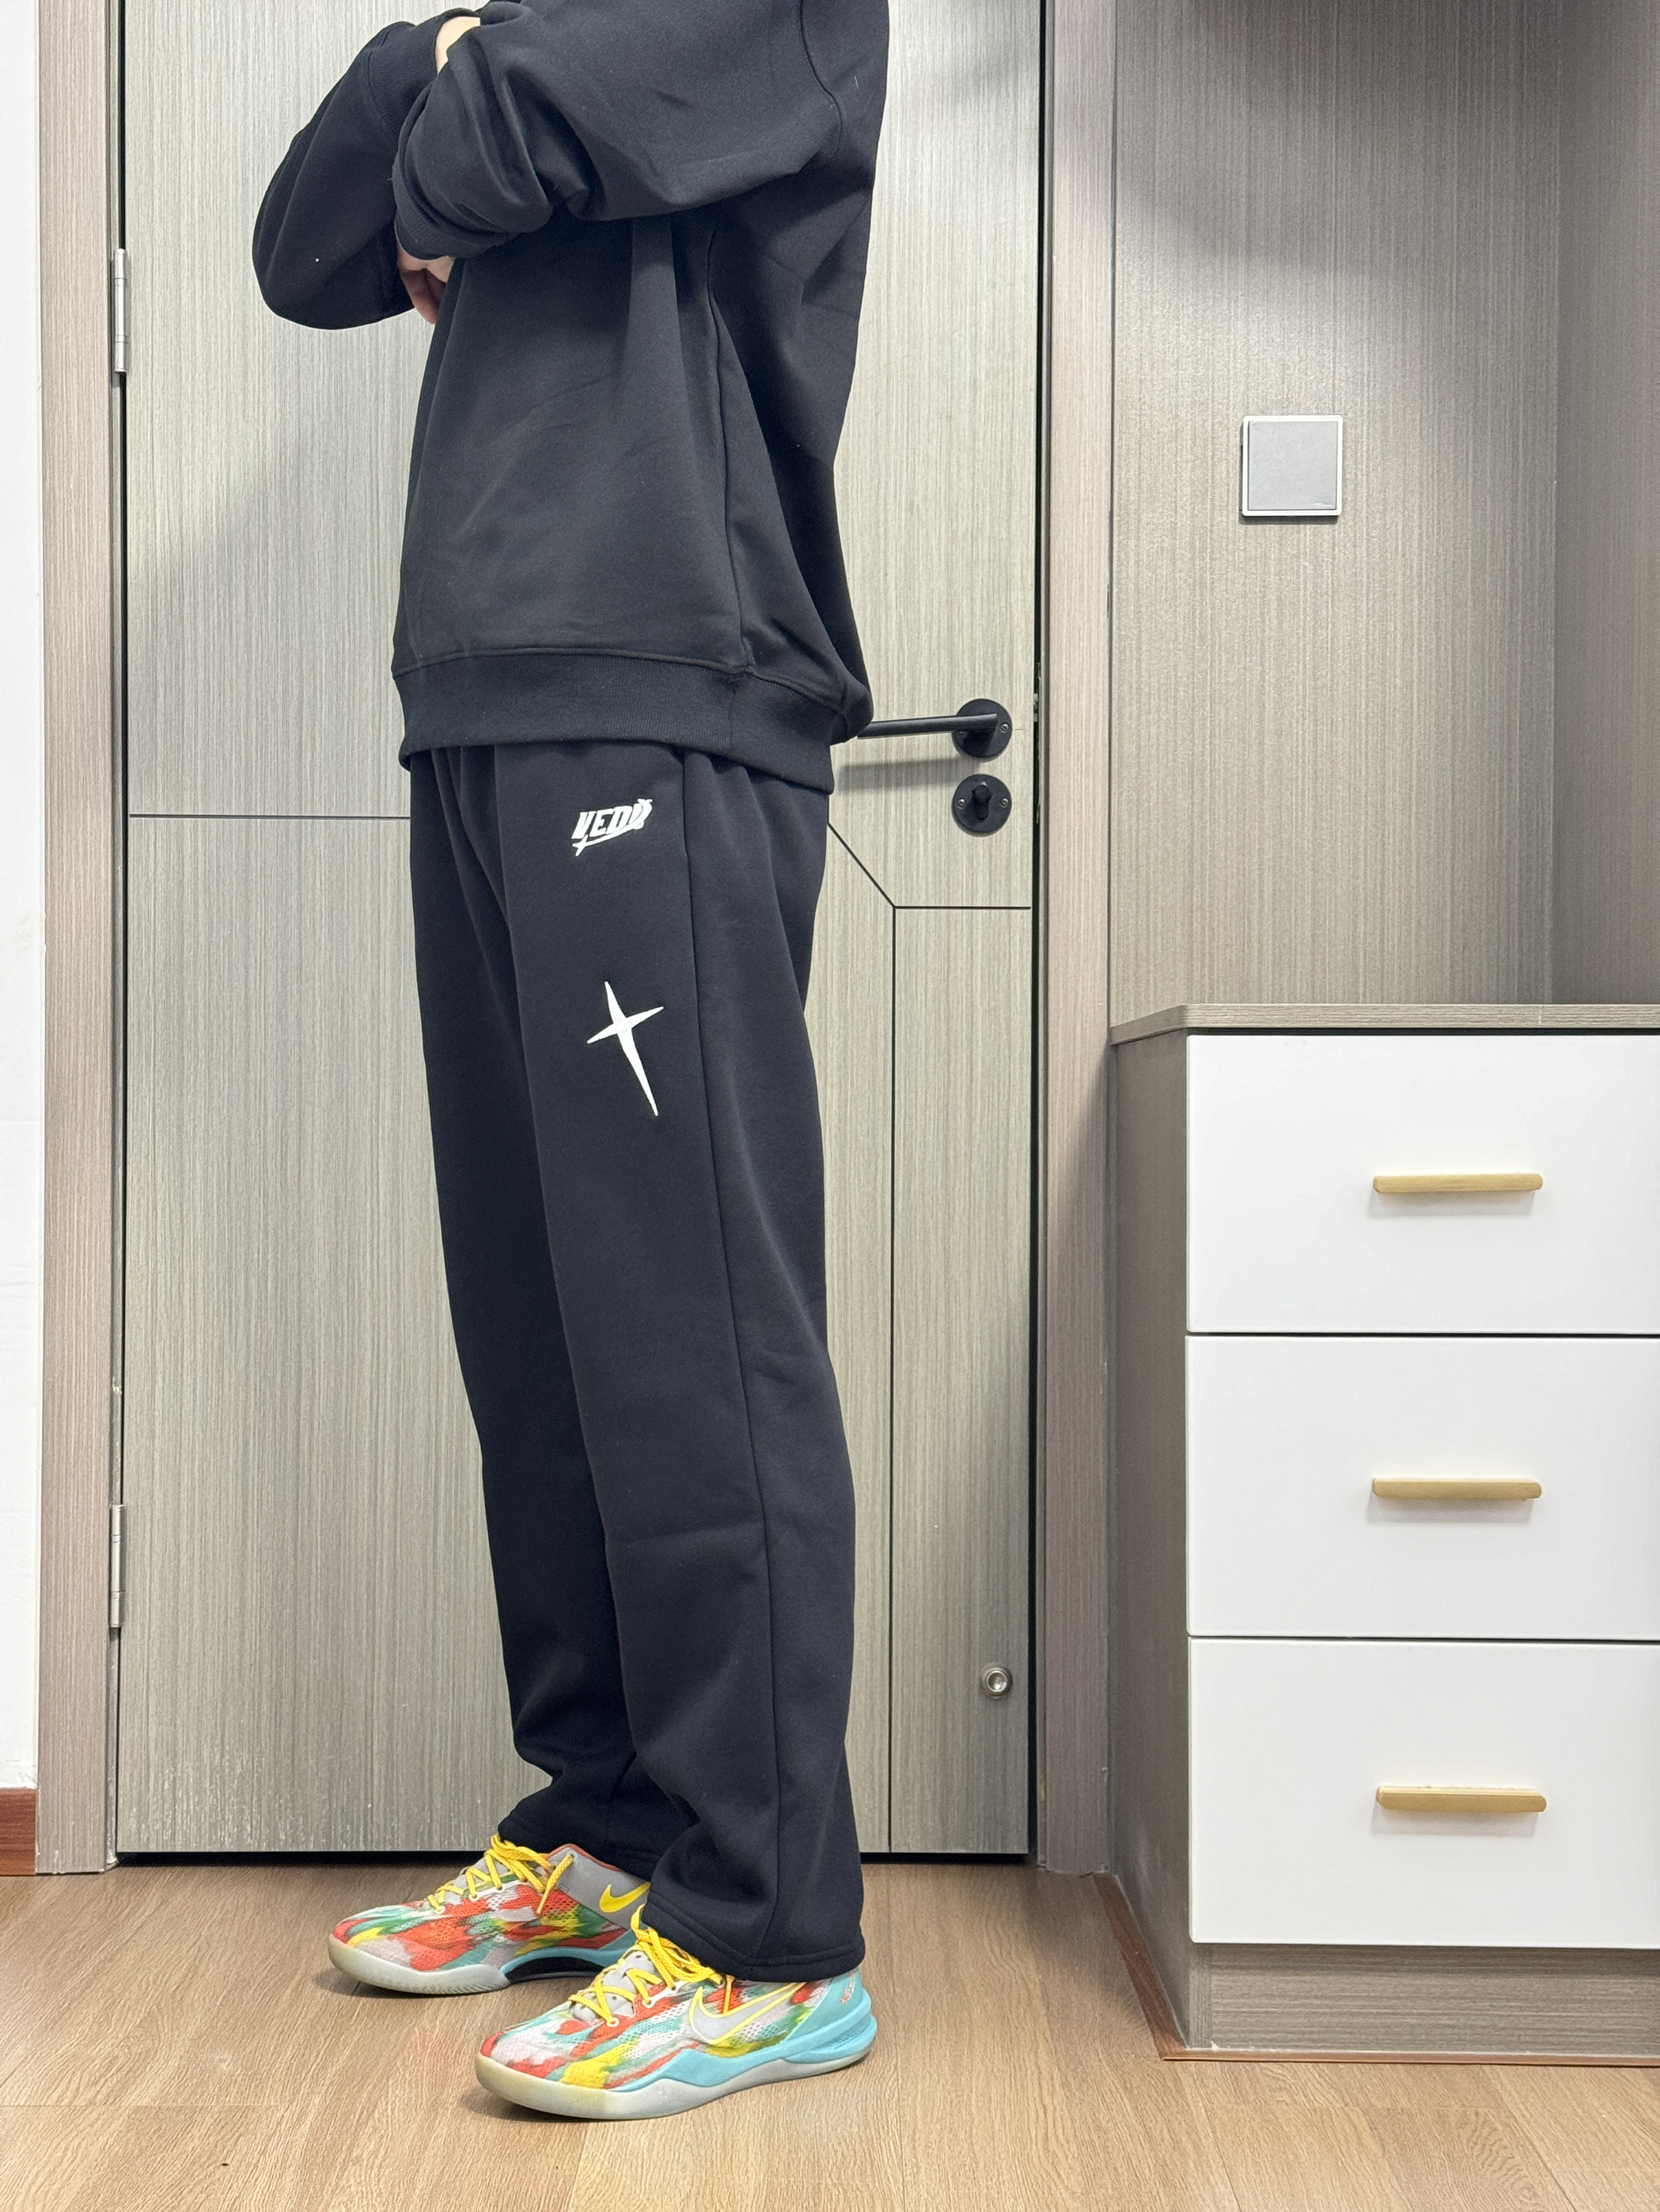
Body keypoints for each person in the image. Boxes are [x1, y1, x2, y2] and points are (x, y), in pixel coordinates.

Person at [252, 0, 887, 2121]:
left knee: (689, 1329)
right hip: (479, 693)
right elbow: (310, 244)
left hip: (665, 678)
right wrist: (436, 49)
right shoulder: (510, 31)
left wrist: (466, 101)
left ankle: (769, 1930)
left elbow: (489, 139)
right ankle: (609, 1825)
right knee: (539, 1334)